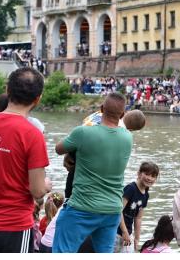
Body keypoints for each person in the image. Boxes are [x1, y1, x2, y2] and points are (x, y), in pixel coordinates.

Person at [0, 67, 52, 253]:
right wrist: (46, 184)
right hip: (14, 225)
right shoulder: (32, 134)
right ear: (37, 99)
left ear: (7, 90)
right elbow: (38, 190)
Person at [53, 93, 132, 253]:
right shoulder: (128, 137)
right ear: (122, 115)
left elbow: (58, 149)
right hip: (111, 211)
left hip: (82, 207)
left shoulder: (83, 132)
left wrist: (71, 153)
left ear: (101, 109)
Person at [117, 162, 159, 253]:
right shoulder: (131, 188)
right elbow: (118, 210)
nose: (149, 178)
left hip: (128, 233)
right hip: (116, 232)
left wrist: (137, 238)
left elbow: (138, 218)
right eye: (147, 174)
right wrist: (124, 232)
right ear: (139, 174)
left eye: (153, 176)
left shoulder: (146, 195)